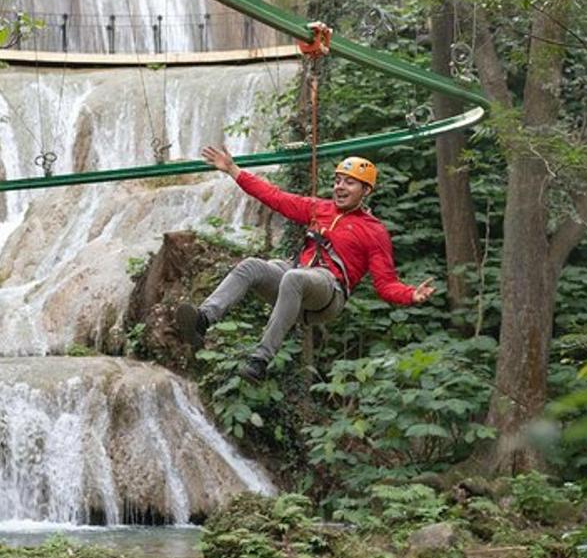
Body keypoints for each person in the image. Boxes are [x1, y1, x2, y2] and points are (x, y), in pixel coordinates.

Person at [176, 145, 436, 382]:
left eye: (349, 183)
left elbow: (385, 283)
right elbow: (274, 197)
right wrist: (233, 169)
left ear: (366, 190)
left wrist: (410, 294)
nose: (340, 187)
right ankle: (203, 319)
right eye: (337, 181)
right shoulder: (318, 208)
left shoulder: (374, 231)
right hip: (298, 276)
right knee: (252, 265)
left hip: (328, 292)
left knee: (294, 278)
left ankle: (259, 361)